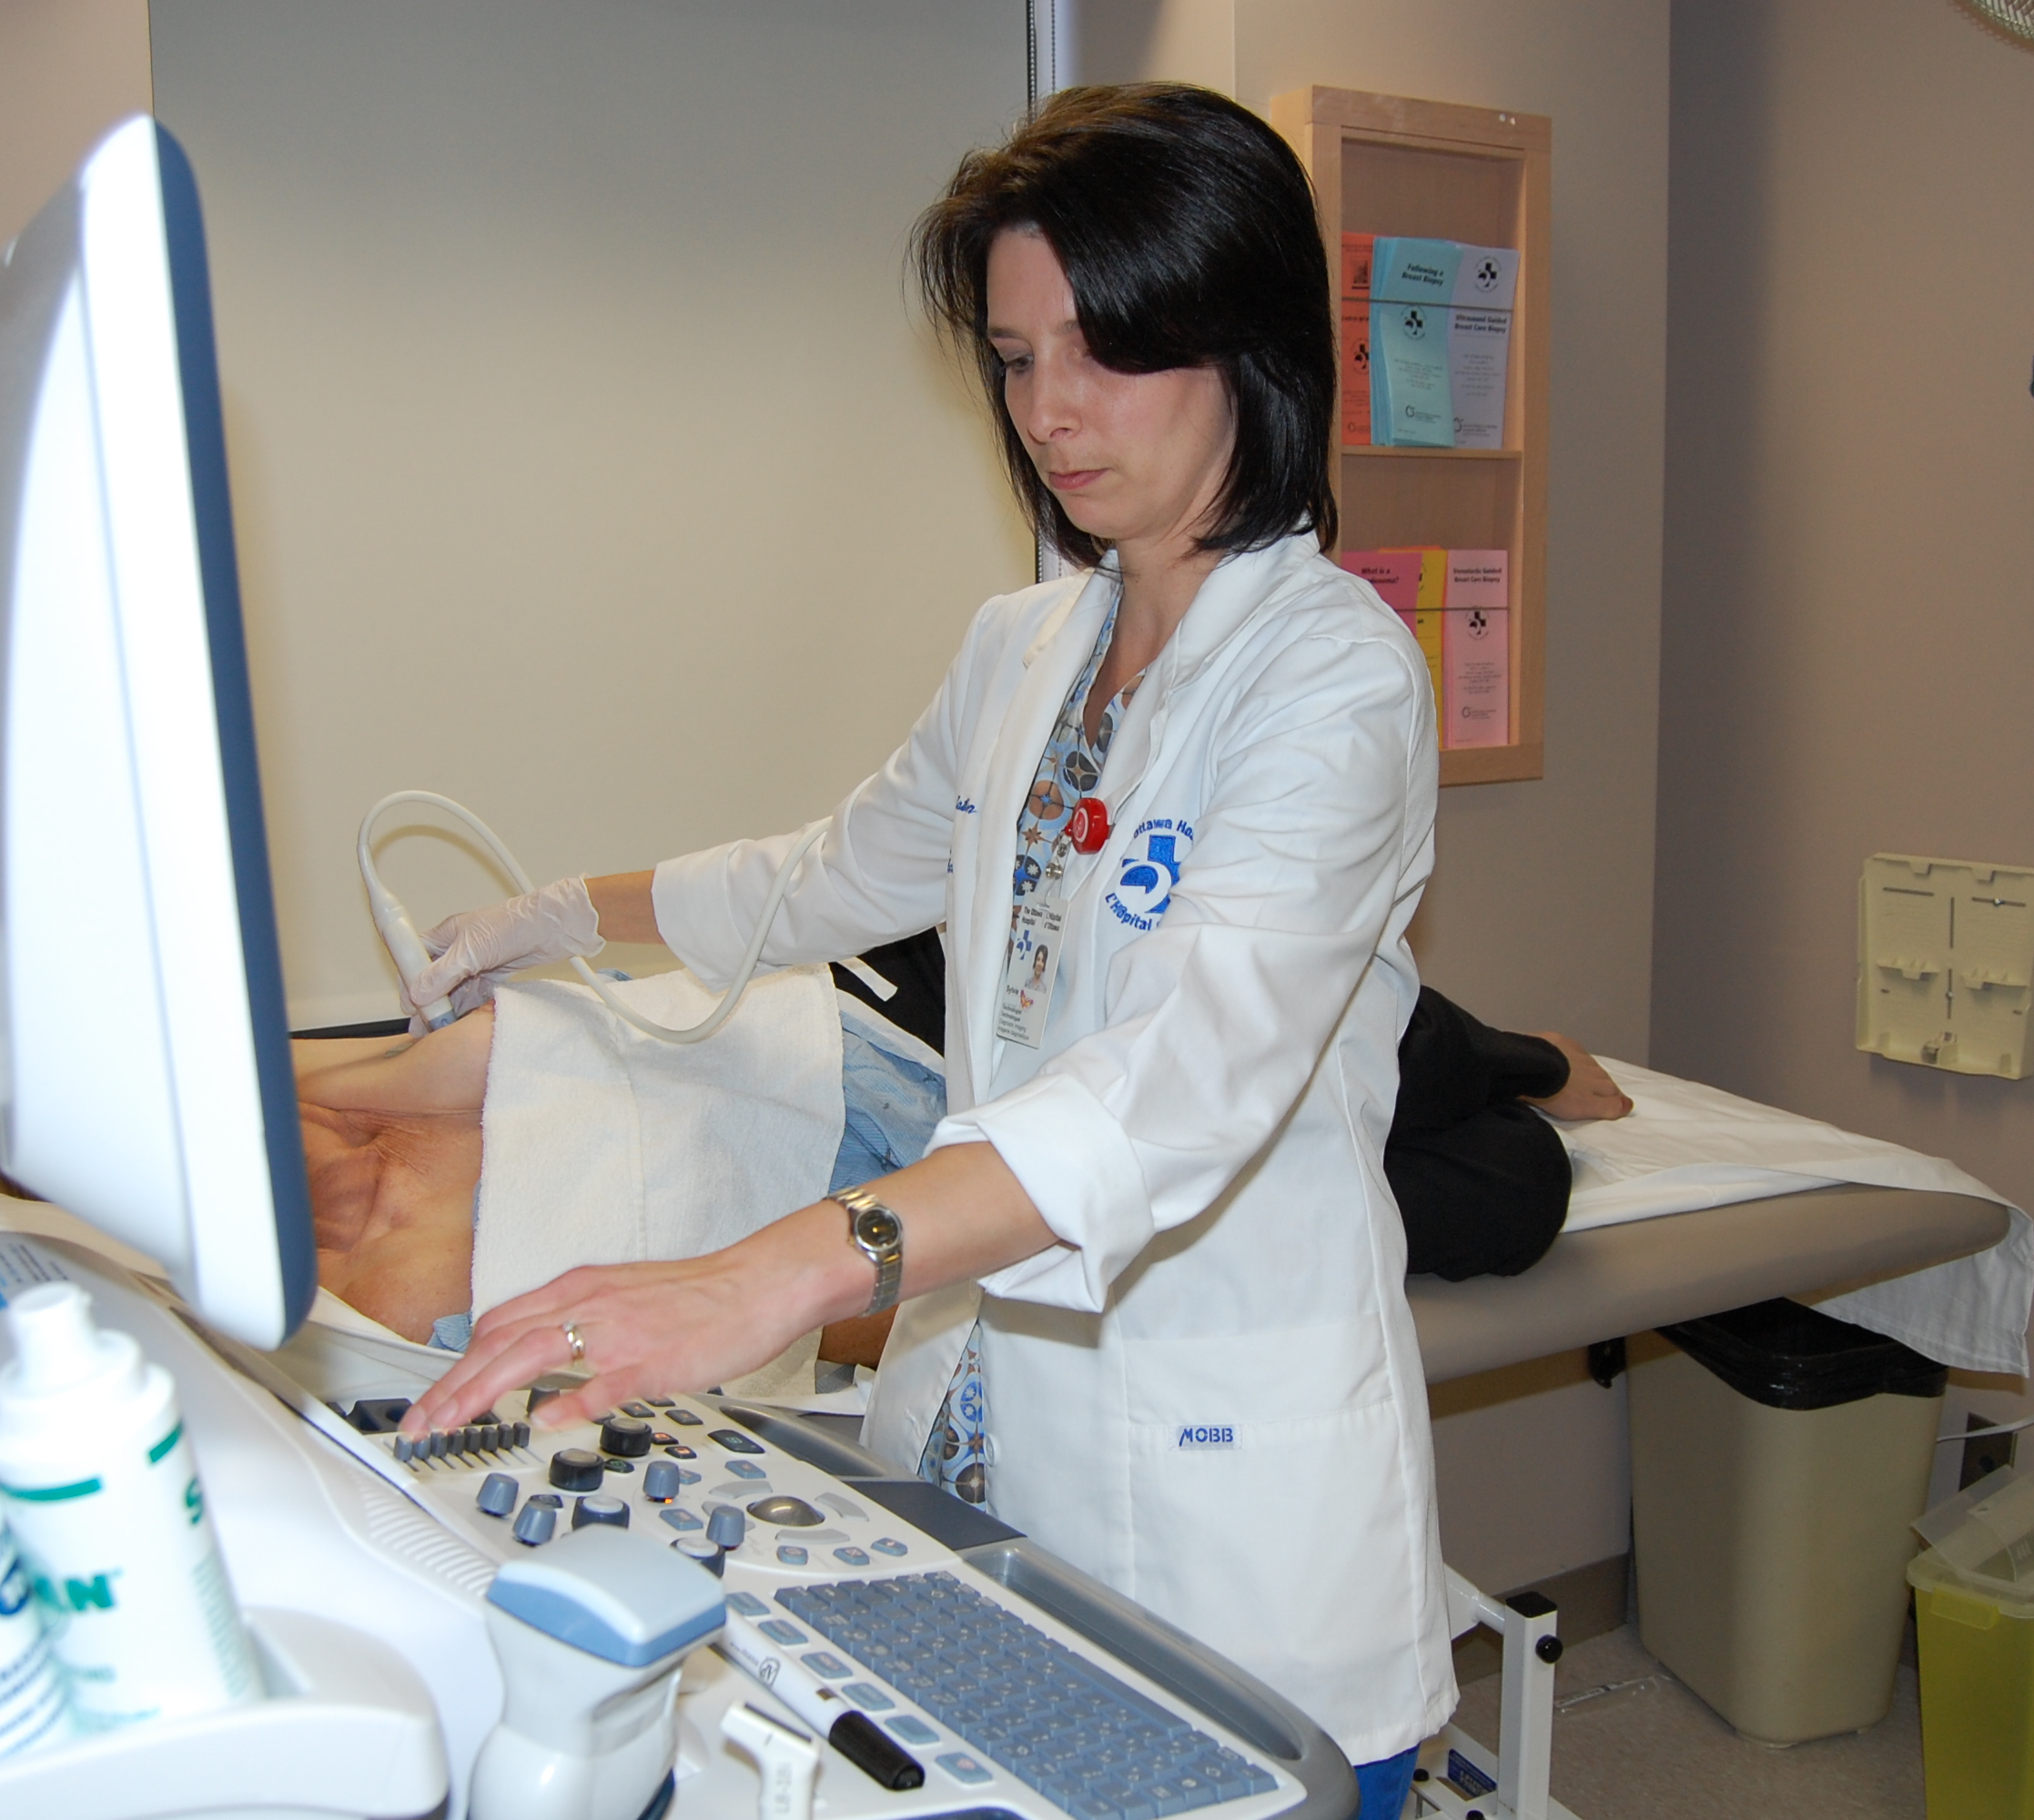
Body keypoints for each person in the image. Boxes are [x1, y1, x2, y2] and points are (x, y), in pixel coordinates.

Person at [387, 83, 1594, 1811]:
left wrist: (765, 1274)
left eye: (1103, 351)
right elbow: (835, 870)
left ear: (1245, 341)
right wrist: (559, 913)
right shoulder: (1029, 643)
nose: (1051, 410)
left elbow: (1174, 1091)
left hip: (1227, 1485)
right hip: (981, 1433)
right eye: (1019, 360)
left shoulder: (1336, 681)